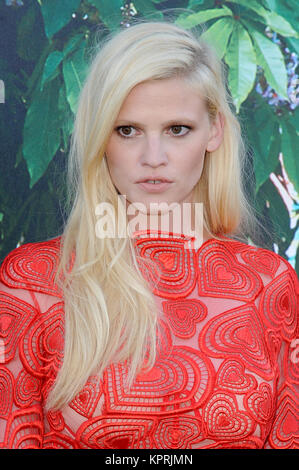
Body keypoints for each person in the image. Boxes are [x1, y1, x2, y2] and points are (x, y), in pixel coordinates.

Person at [0, 20, 298, 450]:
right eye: (128, 130)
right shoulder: (33, 281)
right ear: (100, 137)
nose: (153, 158)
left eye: (178, 129)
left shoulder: (268, 284)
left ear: (214, 132)